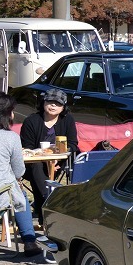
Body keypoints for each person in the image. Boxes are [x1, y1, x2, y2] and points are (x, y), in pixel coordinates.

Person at [0, 92, 47, 261]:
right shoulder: (10, 138)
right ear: (6, 114)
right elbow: (19, 172)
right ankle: (29, 241)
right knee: (19, 192)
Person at [19, 88, 79, 226]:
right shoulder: (31, 121)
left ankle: (43, 211)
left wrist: (60, 156)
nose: (53, 106)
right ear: (43, 103)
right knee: (37, 166)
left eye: (57, 103)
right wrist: (41, 155)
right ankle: (50, 201)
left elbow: (73, 144)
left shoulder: (67, 120)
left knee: (40, 172)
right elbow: (26, 146)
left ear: (63, 107)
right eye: (50, 102)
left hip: (58, 163)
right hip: (32, 164)